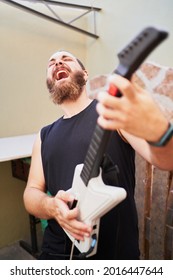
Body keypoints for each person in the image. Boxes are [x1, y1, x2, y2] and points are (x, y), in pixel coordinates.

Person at [23, 50, 173, 260]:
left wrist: (160, 130)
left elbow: (166, 159)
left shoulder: (112, 113)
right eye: (52, 63)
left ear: (84, 74)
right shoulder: (44, 136)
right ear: (49, 82)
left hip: (114, 256)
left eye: (66, 59)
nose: (57, 63)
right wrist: (52, 207)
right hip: (55, 252)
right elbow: (31, 192)